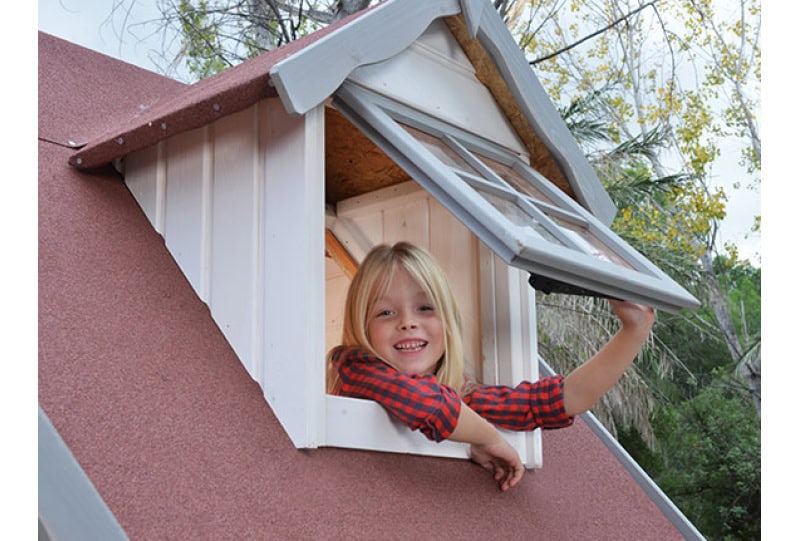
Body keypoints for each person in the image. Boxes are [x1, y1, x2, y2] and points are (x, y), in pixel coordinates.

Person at [327, 241, 655, 492]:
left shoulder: (461, 398)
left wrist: (634, 331)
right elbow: (424, 404)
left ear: (448, 322)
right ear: (362, 324)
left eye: (425, 308)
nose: (408, 323)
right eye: (385, 313)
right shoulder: (355, 368)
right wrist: (486, 437)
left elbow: (557, 400)